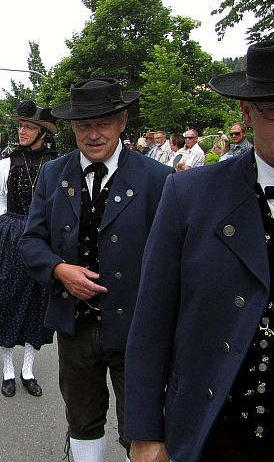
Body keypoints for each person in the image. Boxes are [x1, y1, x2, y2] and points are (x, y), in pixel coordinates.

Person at [125, 37, 274, 462]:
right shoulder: (189, 196)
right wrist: (145, 432)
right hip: (218, 435)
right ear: (247, 112)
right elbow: (152, 322)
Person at [18, 79, 173, 461]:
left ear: (122, 122)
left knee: (142, 427)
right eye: (84, 125)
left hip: (137, 330)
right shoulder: (55, 174)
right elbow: (30, 240)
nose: (93, 133)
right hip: (76, 326)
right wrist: (58, 269)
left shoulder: (157, 179)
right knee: (82, 420)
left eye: (102, 122)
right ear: (72, 128)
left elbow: (173, 258)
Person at [0, 100, 59, 398]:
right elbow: (3, 201)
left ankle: (28, 370)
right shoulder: (7, 164)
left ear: (43, 132)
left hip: (44, 236)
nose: (22, 131)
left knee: (37, 302)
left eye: (28, 127)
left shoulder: (56, 165)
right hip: (11, 232)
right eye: (20, 126)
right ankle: (7, 370)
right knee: (5, 297)